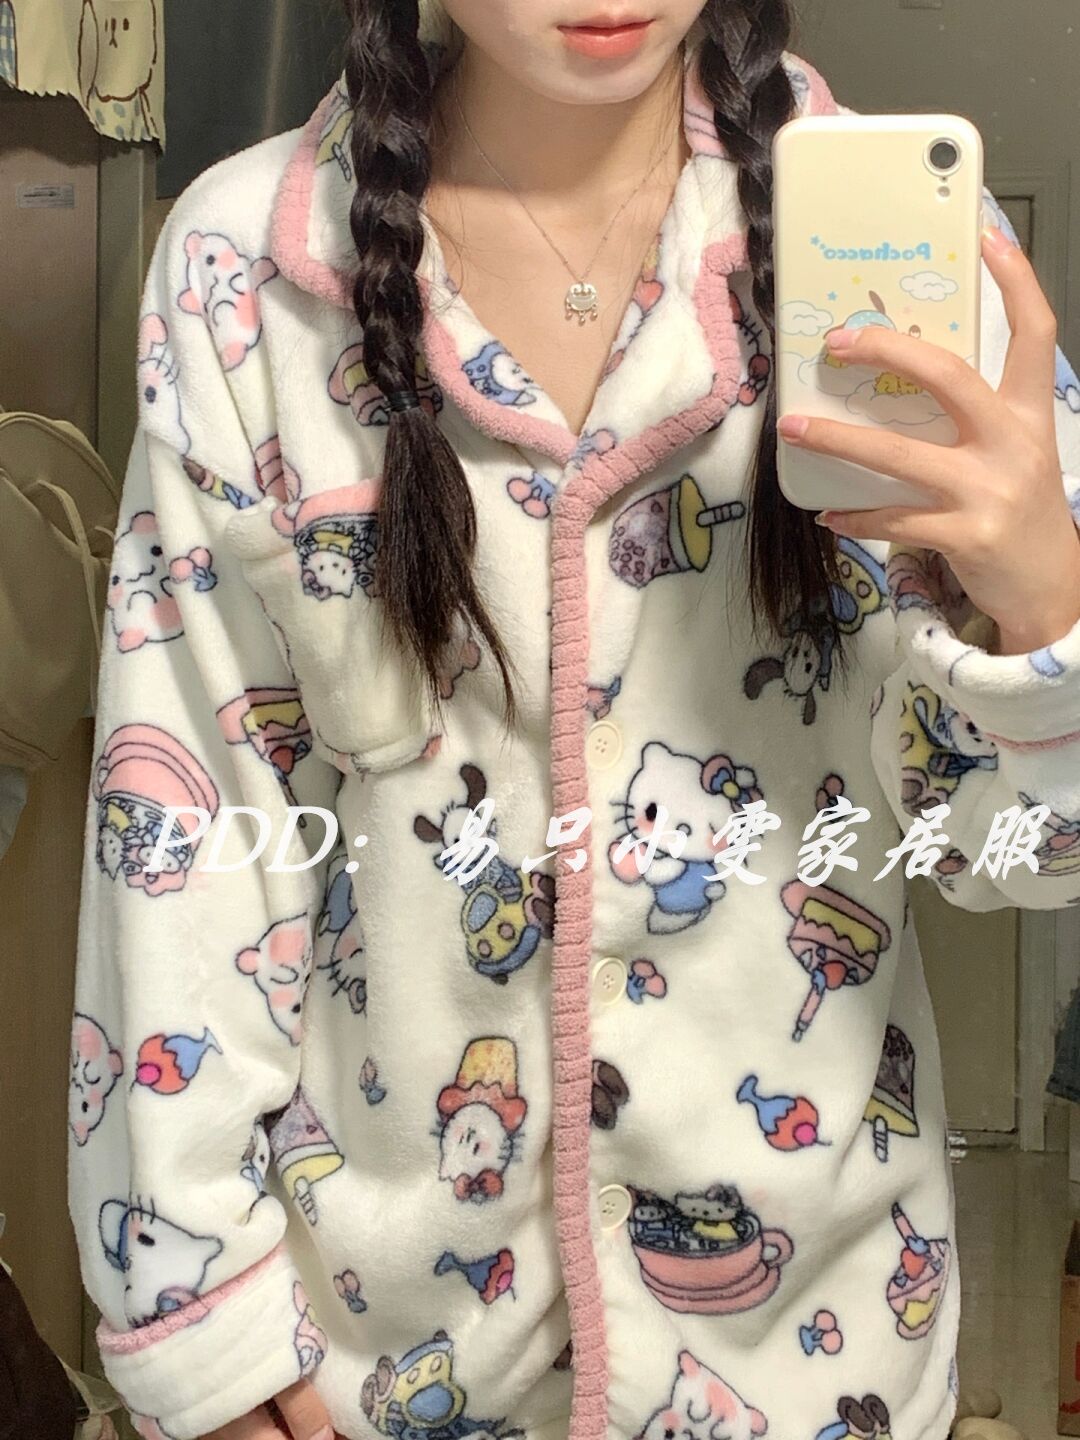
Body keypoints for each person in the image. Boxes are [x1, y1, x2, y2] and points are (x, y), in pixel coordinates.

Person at [67, 1, 1080, 1439]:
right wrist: (202, 1329)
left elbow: (1015, 858)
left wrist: (1047, 605)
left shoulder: (909, 247)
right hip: (381, 1363)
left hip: (815, 1358)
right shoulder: (246, 274)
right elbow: (185, 831)